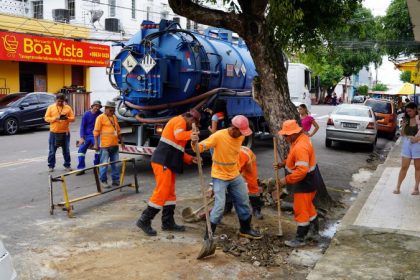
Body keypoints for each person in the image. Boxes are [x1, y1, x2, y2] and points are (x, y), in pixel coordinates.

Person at [191, 115, 262, 240]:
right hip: (219, 176)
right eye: (240, 131)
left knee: (243, 201)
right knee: (219, 207)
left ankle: (245, 229)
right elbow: (199, 148)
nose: (242, 135)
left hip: (234, 174)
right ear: (233, 128)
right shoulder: (218, 136)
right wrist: (193, 142)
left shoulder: (241, 136)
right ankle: (209, 236)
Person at [136, 110, 200, 236]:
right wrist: (191, 133)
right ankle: (144, 220)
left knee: (170, 193)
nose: (195, 127)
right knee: (162, 191)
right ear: (191, 119)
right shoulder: (179, 121)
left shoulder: (181, 124)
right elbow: (179, 135)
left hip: (168, 162)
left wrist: (190, 158)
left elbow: (177, 149)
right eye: (195, 124)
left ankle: (168, 222)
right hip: (162, 161)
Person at [274, 119, 321, 247]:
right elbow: (294, 158)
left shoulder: (300, 146)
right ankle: (314, 231)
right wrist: (283, 163)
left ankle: (300, 238)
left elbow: (301, 171)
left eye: (285, 135)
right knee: (308, 207)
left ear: (293, 133)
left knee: (300, 210)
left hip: (305, 183)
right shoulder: (300, 140)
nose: (284, 138)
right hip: (310, 181)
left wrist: (285, 180)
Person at [224, 146, 264, 220]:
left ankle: (256, 210)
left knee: (252, 185)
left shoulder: (241, 157)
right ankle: (227, 207)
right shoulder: (224, 156)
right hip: (235, 164)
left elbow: (234, 174)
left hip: (250, 161)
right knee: (228, 184)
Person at [93, 101, 122, 188]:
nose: (112, 112)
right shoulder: (100, 118)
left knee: (115, 164)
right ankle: (103, 180)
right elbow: (96, 132)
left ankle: (116, 181)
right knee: (104, 164)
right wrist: (96, 144)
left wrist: (122, 142)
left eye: (113, 110)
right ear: (106, 109)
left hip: (114, 145)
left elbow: (118, 130)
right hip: (105, 146)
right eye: (110, 110)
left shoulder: (114, 117)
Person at [394, 102, 420, 195]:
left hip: (418, 144)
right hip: (407, 143)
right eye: (407, 111)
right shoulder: (406, 119)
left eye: (410, 111)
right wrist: (404, 126)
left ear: (415, 109)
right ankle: (398, 187)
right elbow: (402, 134)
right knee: (404, 167)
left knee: (418, 168)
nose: (408, 113)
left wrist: (417, 139)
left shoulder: (419, 118)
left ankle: (416, 188)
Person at [44, 93, 75, 172]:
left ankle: (67, 165)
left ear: (64, 101)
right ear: (55, 100)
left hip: (65, 133)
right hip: (54, 132)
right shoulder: (51, 107)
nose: (60, 103)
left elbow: (73, 118)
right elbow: (46, 118)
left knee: (66, 150)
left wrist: (67, 118)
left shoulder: (68, 108)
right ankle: (51, 166)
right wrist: (55, 118)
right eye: (58, 101)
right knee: (52, 150)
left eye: (62, 101)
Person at [76, 100, 102, 175]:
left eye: (99, 106)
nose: (97, 108)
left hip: (96, 136)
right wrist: (81, 137)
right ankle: (81, 168)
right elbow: (82, 126)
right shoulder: (86, 114)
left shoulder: (101, 115)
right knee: (81, 150)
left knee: (98, 150)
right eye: (96, 106)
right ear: (92, 106)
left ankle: (97, 167)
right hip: (87, 136)